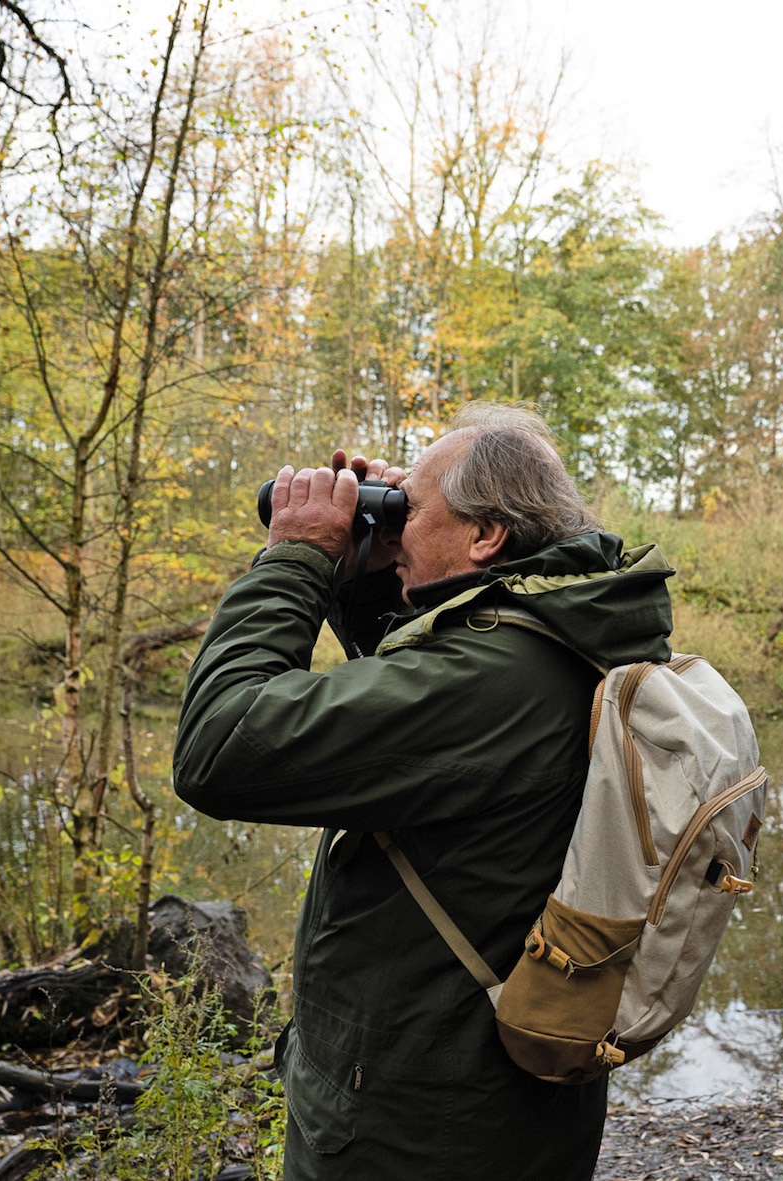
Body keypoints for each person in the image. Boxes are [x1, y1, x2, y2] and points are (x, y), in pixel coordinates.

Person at [173, 402, 674, 1180]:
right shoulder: (562, 632)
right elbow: (414, 737)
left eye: (412, 508)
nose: (394, 525)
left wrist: (296, 559)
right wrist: (368, 578)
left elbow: (222, 745)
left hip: (419, 1129)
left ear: (486, 536)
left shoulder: (491, 679)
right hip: (493, 1110)